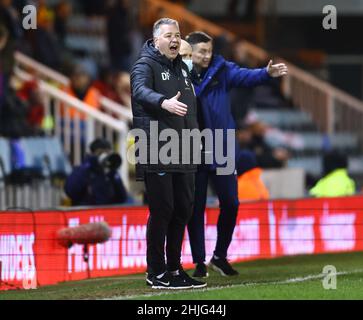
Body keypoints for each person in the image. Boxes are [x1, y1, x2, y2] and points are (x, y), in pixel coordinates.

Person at [186, 31, 288, 277]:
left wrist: (266, 73)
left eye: (209, 50)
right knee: (195, 207)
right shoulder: (178, 74)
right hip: (192, 146)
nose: (207, 55)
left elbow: (245, 76)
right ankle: (199, 260)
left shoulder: (222, 70)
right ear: (189, 52)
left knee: (231, 202)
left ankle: (219, 256)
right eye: (202, 51)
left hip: (220, 146)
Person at [130, 18, 206, 290]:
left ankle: (174, 269)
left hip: (184, 148)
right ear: (156, 39)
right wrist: (163, 102)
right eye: (169, 35)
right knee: (163, 210)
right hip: (156, 146)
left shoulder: (181, 70)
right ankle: (156, 271)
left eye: (178, 35)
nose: (175, 39)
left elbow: (191, 112)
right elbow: (139, 91)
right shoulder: (144, 65)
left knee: (183, 210)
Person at [64, 138, 128, 206]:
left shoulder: (110, 173)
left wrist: (113, 172)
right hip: (86, 213)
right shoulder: (83, 170)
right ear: (92, 153)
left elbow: (122, 198)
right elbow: (70, 191)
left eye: (107, 153)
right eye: (100, 153)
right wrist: (90, 164)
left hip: (106, 214)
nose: (104, 156)